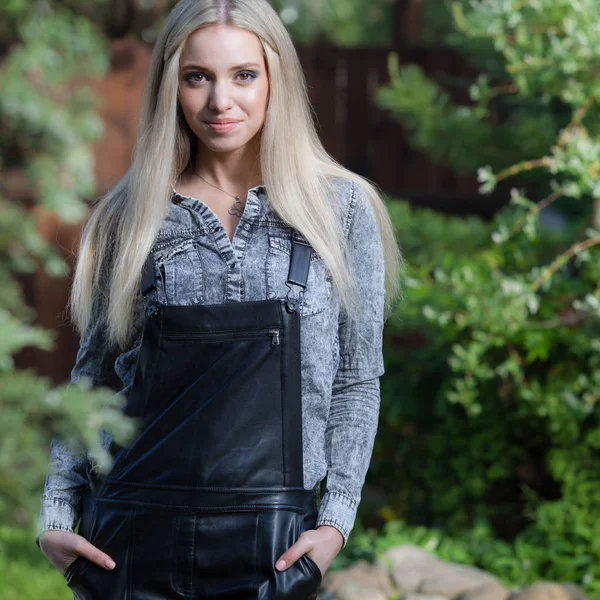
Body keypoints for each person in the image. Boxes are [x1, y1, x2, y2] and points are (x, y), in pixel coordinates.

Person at [36, 0, 402, 598]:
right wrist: (56, 516)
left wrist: (335, 522)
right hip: (131, 543)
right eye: (196, 77)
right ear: (171, 87)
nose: (219, 101)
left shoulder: (341, 211)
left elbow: (357, 380)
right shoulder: (128, 219)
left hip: (275, 551)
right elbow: (93, 380)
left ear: (275, 78)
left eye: (244, 75)